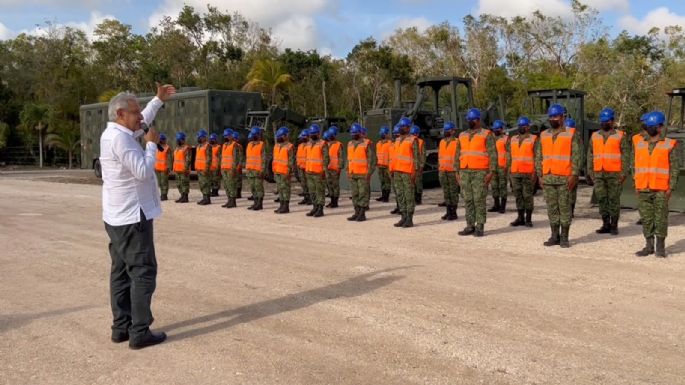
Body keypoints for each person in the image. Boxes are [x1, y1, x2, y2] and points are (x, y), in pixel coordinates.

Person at [99, 84, 176, 349]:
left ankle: (121, 327)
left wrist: (158, 100)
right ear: (120, 114)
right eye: (134, 112)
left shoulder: (116, 133)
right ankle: (139, 330)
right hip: (132, 217)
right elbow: (143, 171)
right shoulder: (121, 139)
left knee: (120, 272)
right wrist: (152, 145)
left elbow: (144, 118)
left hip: (117, 216)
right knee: (143, 271)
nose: (140, 117)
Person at [536, 104, 582, 248]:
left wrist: (574, 175)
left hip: (564, 179)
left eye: (555, 116)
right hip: (548, 178)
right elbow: (539, 156)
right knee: (552, 208)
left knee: (565, 208)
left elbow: (576, 156)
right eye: (550, 116)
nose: (553, 119)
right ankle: (554, 235)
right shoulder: (543, 135)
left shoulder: (571, 134)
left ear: (563, 117)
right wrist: (540, 175)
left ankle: (564, 237)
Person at [634, 111, 680, 257]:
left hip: (661, 189)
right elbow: (635, 165)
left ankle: (660, 247)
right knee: (646, 218)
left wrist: (670, 187)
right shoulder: (639, 142)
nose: (650, 128)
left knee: (660, 218)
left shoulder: (669, 144)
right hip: (643, 187)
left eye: (653, 126)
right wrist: (637, 184)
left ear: (660, 127)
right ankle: (649, 246)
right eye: (648, 126)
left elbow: (674, 168)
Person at [587, 108, 630, 235]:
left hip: (614, 174)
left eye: (607, 121)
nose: (604, 123)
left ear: (612, 121)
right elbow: (590, 154)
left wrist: (623, 173)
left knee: (614, 199)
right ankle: (605, 224)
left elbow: (626, 156)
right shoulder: (594, 136)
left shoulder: (620, 135)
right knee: (601, 199)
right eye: (602, 121)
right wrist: (590, 172)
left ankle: (614, 225)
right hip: (599, 174)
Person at [457, 108, 497, 237]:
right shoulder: (462, 135)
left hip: (480, 172)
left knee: (479, 199)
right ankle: (470, 225)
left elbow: (493, 154)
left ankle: (480, 226)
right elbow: (457, 154)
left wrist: (491, 172)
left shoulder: (487, 134)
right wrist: (456, 172)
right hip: (465, 171)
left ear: (479, 120)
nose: (470, 122)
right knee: (468, 199)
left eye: (472, 120)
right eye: (468, 120)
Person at [509, 117, 538, 227]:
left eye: (524, 126)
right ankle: (520, 217)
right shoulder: (513, 139)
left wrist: (535, 173)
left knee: (527, 196)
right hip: (515, 172)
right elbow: (509, 156)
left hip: (528, 172)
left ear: (528, 127)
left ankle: (528, 219)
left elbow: (537, 157)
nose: (521, 128)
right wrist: (509, 172)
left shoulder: (533, 139)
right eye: (520, 126)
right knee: (518, 195)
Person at [392, 117, 420, 228]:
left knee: (408, 195)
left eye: (404, 126)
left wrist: (415, 172)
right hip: (398, 171)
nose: (402, 128)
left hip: (408, 172)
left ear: (408, 128)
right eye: (401, 126)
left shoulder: (413, 140)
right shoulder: (397, 140)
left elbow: (416, 158)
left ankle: (409, 218)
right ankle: (403, 216)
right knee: (400, 194)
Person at [347, 123, 376, 222]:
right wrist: (348, 171)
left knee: (363, 194)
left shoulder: (367, 143)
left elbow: (372, 160)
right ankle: (356, 212)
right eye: (352, 133)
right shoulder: (350, 144)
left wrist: (369, 173)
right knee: (355, 194)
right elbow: (349, 159)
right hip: (353, 173)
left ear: (360, 133)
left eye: (355, 133)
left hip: (363, 174)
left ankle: (362, 214)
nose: (353, 135)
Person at [304, 124, 329, 217]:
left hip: (319, 172)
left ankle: (320, 209)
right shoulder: (308, 143)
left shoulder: (323, 144)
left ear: (318, 134)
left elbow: (326, 159)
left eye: (314, 134)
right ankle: (314, 207)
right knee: (312, 191)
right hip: (309, 171)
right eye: (311, 134)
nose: (312, 135)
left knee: (320, 191)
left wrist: (324, 170)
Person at [437, 121, 459, 221]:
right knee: (446, 192)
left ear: (453, 131)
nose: (446, 132)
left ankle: (453, 213)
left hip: (452, 171)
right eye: (445, 130)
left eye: (448, 130)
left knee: (453, 192)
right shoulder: (442, 142)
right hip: (443, 171)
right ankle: (448, 211)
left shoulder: (457, 142)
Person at [272, 126, 296, 214]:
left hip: (285, 172)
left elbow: (291, 161)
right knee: (280, 189)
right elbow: (275, 159)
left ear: (286, 136)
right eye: (278, 136)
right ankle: (281, 205)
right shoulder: (276, 146)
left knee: (285, 189)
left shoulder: (290, 146)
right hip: (277, 171)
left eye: (280, 136)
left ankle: (286, 207)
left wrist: (289, 171)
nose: (279, 138)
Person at [489, 119, 509, 214]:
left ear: (502, 129)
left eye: (498, 129)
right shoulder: (490, 139)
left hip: (502, 166)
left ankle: (503, 206)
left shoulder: (506, 139)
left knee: (502, 186)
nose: (496, 130)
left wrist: (507, 165)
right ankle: (496, 205)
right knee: (494, 186)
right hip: (493, 166)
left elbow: (509, 153)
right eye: (495, 129)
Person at [245, 127, 266, 211]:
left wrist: (262, 170)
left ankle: (259, 204)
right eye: (253, 135)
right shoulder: (249, 144)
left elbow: (264, 159)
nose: (254, 136)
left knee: (258, 187)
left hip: (258, 170)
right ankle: (255, 202)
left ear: (258, 135)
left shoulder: (261, 144)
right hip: (250, 170)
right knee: (252, 187)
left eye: (255, 135)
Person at [564, 118, 580, 217]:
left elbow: (579, 155)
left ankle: (571, 212)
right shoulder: (568, 138)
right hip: (566, 169)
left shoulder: (576, 138)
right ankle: (568, 211)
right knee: (567, 192)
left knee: (571, 192)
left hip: (572, 169)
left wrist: (576, 170)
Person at [220, 128, 240, 208]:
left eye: (227, 136)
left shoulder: (234, 145)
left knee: (232, 185)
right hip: (224, 168)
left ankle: (233, 201)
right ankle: (229, 200)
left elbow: (236, 158)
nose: (226, 137)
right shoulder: (224, 145)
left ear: (231, 136)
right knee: (226, 185)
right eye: (225, 136)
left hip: (230, 169)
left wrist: (233, 169)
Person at [325, 127, 344, 208]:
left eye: (332, 135)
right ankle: (332, 200)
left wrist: (339, 167)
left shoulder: (338, 145)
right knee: (329, 185)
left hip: (335, 169)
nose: (330, 136)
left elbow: (341, 157)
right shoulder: (326, 144)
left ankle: (335, 202)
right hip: (328, 168)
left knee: (335, 186)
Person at [194, 129, 212, 205]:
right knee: (202, 184)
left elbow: (209, 158)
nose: (199, 138)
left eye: (200, 137)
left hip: (205, 169)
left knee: (206, 183)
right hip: (199, 168)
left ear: (204, 137)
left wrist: (206, 168)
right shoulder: (199, 146)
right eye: (198, 137)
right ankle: (204, 198)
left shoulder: (207, 146)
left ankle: (207, 199)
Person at [172, 132, 191, 203]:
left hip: (183, 170)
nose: (178, 141)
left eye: (179, 139)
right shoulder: (177, 148)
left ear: (183, 140)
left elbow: (188, 159)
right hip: (177, 169)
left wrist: (185, 169)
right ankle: (182, 196)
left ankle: (185, 197)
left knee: (184, 183)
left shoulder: (186, 148)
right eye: (177, 140)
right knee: (179, 184)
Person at [375, 126, 392, 202]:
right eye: (382, 133)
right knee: (382, 181)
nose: (382, 135)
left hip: (387, 166)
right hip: (380, 165)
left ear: (387, 134)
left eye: (384, 133)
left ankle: (386, 197)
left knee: (387, 182)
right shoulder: (378, 144)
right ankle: (383, 195)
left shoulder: (390, 143)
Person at [410, 124, 426, 205]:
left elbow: (422, 154)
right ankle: (416, 199)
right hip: (413, 166)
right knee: (415, 183)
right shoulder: (418, 141)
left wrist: (421, 166)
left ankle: (417, 199)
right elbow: (423, 155)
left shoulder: (420, 142)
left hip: (415, 166)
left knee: (417, 183)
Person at [153, 134, 171, 201]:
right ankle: (162, 194)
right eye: (159, 139)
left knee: (164, 182)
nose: (160, 140)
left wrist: (169, 167)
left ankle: (164, 195)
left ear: (164, 140)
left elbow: (169, 159)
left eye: (161, 139)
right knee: (159, 182)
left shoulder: (167, 148)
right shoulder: (157, 148)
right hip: (157, 168)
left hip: (164, 168)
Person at [296, 129, 312, 205]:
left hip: (307, 168)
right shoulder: (300, 146)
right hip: (301, 167)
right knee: (303, 183)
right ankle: (306, 197)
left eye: (304, 136)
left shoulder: (310, 146)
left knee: (309, 184)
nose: (303, 138)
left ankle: (310, 199)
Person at [389, 124, 402, 215]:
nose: (395, 136)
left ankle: (402, 208)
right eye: (395, 134)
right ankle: (398, 206)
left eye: (397, 134)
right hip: (393, 171)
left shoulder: (401, 144)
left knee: (401, 191)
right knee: (396, 190)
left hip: (400, 170)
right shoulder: (392, 145)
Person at [231, 130, 244, 199]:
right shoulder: (232, 146)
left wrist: (239, 165)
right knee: (234, 180)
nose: (234, 140)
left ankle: (238, 193)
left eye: (235, 138)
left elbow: (241, 157)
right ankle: (235, 192)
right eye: (233, 139)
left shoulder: (239, 146)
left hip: (237, 166)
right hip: (232, 166)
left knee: (238, 180)